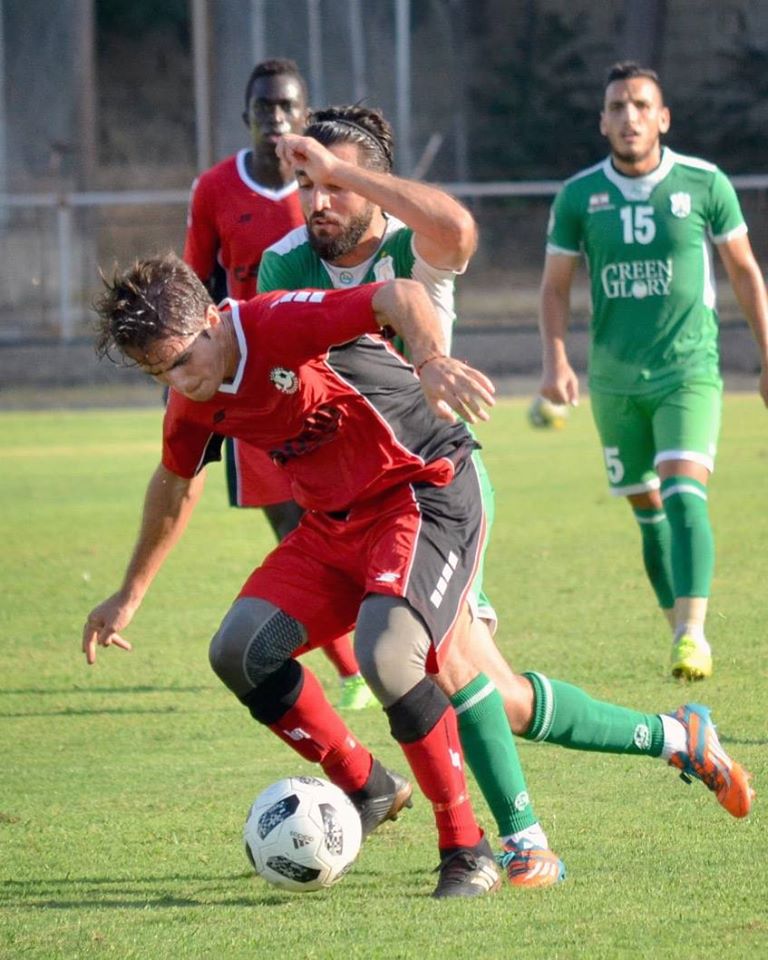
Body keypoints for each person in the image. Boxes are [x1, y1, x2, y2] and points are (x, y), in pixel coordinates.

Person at [85, 254, 503, 899]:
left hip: (422, 491)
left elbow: (398, 294)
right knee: (238, 651)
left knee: (387, 657)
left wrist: (430, 361)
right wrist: (129, 593)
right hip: (334, 526)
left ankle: (467, 849)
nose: (177, 382)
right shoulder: (191, 401)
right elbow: (175, 484)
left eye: (180, 361)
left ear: (210, 319)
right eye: (157, 373)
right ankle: (368, 786)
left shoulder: (277, 323)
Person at [259, 105, 567, 886]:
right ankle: (673, 739)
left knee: (452, 670)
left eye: (333, 185)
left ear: (374, 184)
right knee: (490, 690)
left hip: (436, 484)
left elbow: (458, 230)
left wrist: (342, 169)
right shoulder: (284, 264)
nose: (318, 200)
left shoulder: (410, 245)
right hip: (362, 501)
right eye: (307, 185)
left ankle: (521, 843)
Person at [538, 61, 768, 680]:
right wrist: (556, 358)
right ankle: (679, 633)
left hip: (688, 370)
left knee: (684, 492)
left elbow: (744, 271)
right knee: (647, 509)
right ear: (602, 122)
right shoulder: (578, 196)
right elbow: (555, 287)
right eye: (617, 106)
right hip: (614, 382)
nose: (629, 116)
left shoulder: (704, 183)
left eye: (641, 105)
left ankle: (693, 633)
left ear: (663, 118)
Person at [182, 58, 372, 709]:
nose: (277, 119)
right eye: (265, 107)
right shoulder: (215, 189)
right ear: (247, 116)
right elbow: (195, 284)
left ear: (305, 114)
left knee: (349, 519)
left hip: (333, 381)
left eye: (288, 107)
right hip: (252, 394)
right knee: (294, 531)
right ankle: (352, 671)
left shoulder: (323, 187)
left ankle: (392, 643)